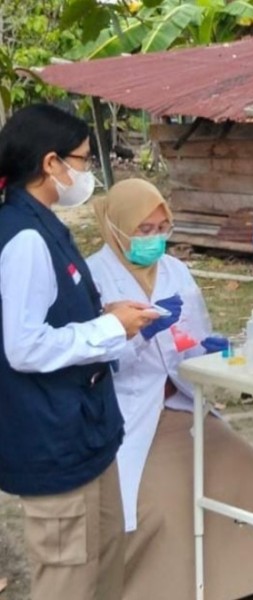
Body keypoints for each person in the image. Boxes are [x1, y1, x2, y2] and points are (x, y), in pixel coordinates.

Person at [0, 104, 156, 600]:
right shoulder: (23, 236)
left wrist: (101, 312)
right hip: (52, 438)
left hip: (86, 430)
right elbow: (24, 346)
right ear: (51, 164)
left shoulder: (43, 222)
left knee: (104, 562)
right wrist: (110, 328)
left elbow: (52, 313)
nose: (87, 172)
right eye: (84, 161)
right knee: (68, 578)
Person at [86, 179, 253, 600]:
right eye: (143, 230)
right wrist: (141, 334)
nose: (154, 240)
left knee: (239, 461)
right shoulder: (94, 277)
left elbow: (194, 337)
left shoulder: (176, 270)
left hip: (183, 400)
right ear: (116, 228)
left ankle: (235, 584)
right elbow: (99, 364)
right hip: (127, 408)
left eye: (162, 228)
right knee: (160, 498)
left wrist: (210, 347)